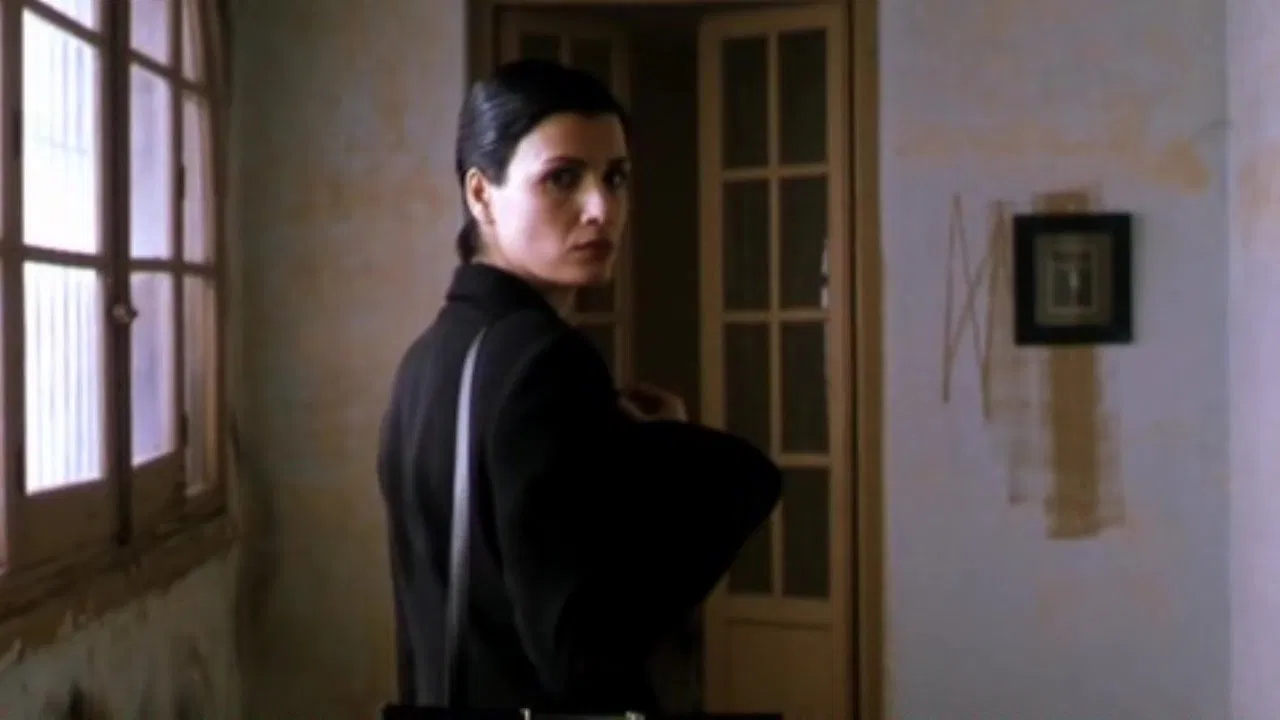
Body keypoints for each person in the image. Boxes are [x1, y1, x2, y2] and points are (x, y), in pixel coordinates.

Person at [377, 58, 782, 714]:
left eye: (615, 177)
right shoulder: (542, 361)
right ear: (481, 194)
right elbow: (583, 647)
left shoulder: (426, 358)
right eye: (562, 178)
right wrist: (672, 458)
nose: (602, 208)